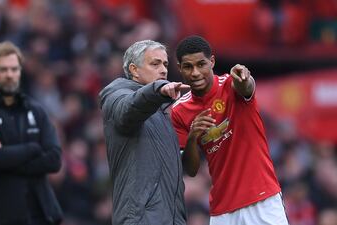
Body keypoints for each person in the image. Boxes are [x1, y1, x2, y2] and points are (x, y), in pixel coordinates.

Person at [171, 35, 289, 224]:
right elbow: (190, 170)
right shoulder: (179, 111)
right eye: (188, 67)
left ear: (212, 62)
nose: (195, 73)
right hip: (222, 209)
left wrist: (245, 77)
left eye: (201, 64)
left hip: (262, 198)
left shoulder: (230, 85)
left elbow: (246, 86)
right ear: (179, 68)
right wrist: (193, 136)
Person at [0, 41, 63, 225]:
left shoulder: (36, 110)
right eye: (3, 70)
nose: (10, 75)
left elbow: (54, 160)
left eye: (14, 69)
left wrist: (6, 155)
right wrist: (33, 148)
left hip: (41, 214)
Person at [99, 40, 190, 225]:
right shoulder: (115, 94)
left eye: (165, 64)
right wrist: (158, 90)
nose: (163, 70)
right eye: (155, 64)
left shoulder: (162, 111)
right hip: (141, 219)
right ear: (134, 69)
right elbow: (128, 110)